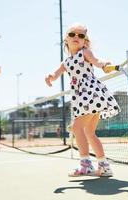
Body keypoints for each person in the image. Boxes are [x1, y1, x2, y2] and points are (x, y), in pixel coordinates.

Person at [45, 23, 120, 177]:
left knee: (77, 129)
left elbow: (97, 61)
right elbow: (56, 73)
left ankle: (86, 165)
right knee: (89, 132)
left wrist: (104, 64)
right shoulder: (65, 62)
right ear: (66, 39)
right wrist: (50, 77)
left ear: (85, 41)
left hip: (91, 94)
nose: (76, 37)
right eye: (72, 34)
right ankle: (104, 167)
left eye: (81, 35)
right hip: (82, 98)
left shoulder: (85, 52)